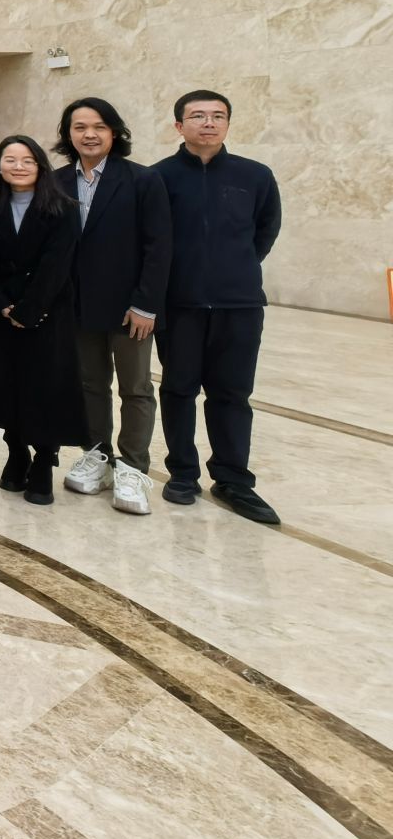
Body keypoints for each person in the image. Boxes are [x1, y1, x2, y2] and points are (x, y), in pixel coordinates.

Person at [152, 89, 283, 525]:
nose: (208, 123)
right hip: (179, 305)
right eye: (197, 116)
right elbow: (150, 240)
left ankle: (233, 480)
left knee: (232, 394)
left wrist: (234, 269)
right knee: (178, 390)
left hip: (239, 304)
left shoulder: (255, 175)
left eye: (217, 116)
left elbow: (265, 230)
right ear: (179, 125)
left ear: (227, 123)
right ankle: (182, 473)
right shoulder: (157, 178)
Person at [52, 97, 172, 517]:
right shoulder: (57, 181)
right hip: (78, 306)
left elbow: (159, 247)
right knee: (89, 384)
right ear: (68, 134)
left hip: (128, 308)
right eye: (80, 127)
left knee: (135, 387)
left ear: (115, 132)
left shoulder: (142, 180)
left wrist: (146, 305)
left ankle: (133, 467)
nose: (89, 134)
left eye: (99, 127)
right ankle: (98, 456)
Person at [0, 135, 88, 507]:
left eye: (27, 160)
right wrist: (2, 303)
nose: (19, 166)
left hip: (49, 314)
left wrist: (30, 309)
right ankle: (16, 452)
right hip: (6, 313)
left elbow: (57, 264)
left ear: (40, 165)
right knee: (9, 385)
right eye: (10, 159)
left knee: (46, 388)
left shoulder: (63, 207)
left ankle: (43, 460)